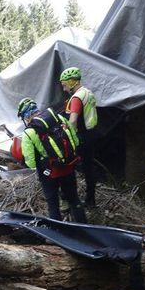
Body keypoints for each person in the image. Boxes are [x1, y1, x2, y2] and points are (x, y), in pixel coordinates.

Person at [16, 97, 87, 223]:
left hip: (48, 172)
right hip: (69, 166)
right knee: (74, 198)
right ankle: (84, 227)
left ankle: (57, 233)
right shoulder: (59, 118)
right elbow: (75, 141)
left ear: (26, 116)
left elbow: (30, 162)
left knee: (52, 203)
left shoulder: (29, 132)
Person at [60, 67, 98, 206]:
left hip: (81, 136)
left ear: (71, 82)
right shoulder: (88, 93)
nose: (64, 89)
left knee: (69, 165)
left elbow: (73, 120)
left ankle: (69, 198)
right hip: (92, 133)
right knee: (89, 167)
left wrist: (66, 135)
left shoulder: (76, 98)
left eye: (64, 85)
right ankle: (90, 199)